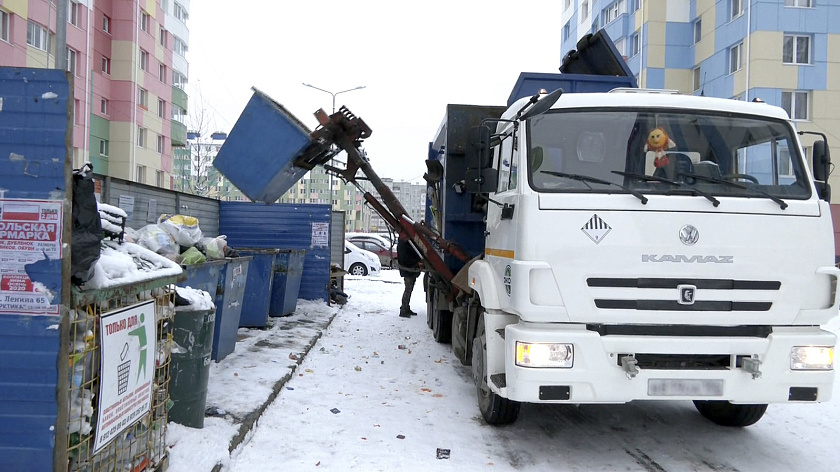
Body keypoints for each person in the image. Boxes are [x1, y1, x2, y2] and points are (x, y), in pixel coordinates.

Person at [397, 237, 421, 317]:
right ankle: (403, 310)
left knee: (409, 289)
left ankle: (406, 308)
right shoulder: (404, 244)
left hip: (409, 270)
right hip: (408, 270)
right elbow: (406, 258)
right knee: (408, 290)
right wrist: (417, 263)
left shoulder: (403, 243)